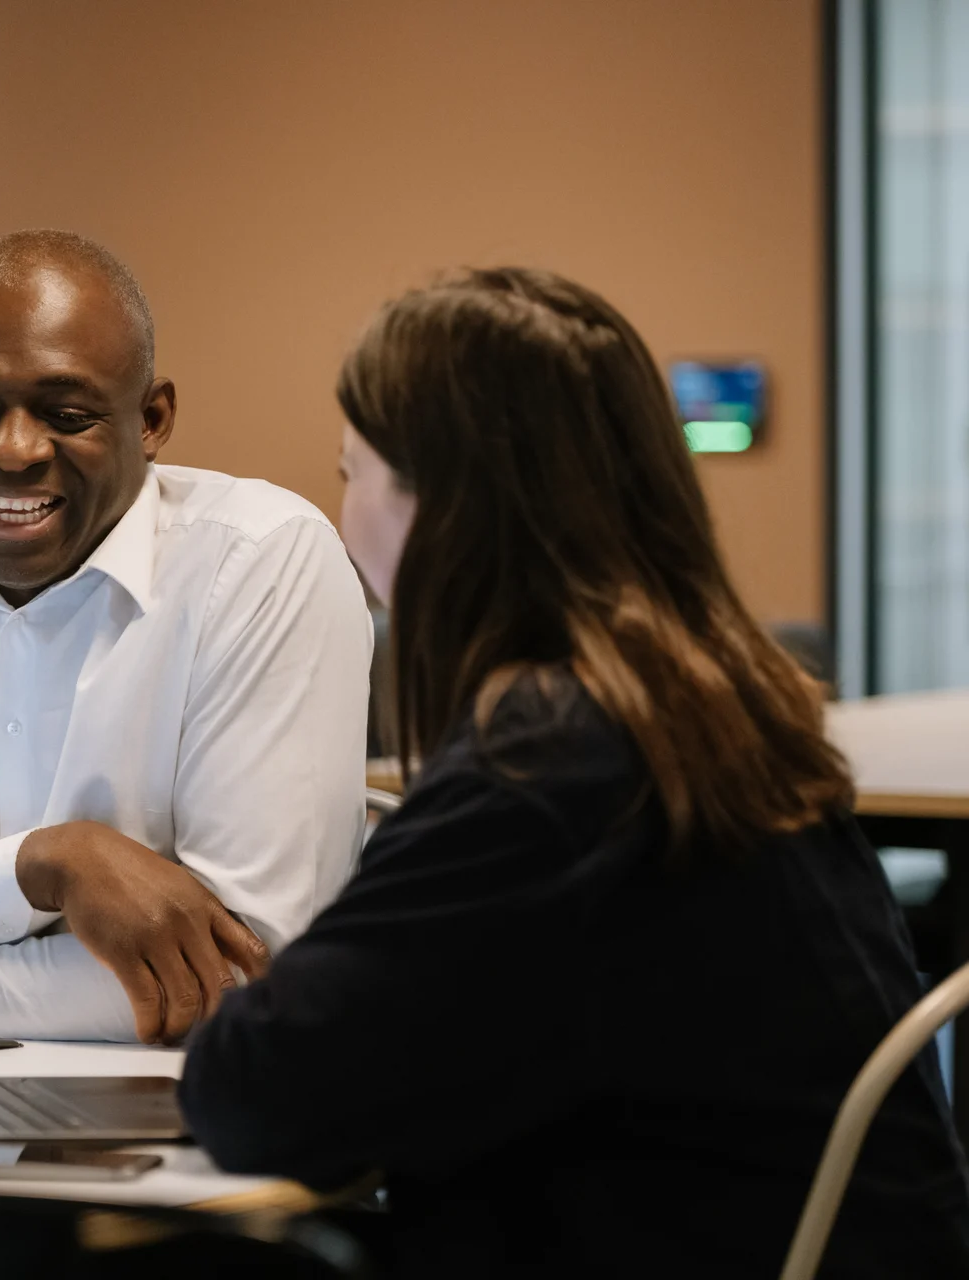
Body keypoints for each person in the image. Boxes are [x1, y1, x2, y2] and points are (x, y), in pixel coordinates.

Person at [179, 267, 969, 1277]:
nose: (342, 521)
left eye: (351, 472)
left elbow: (260, 1093)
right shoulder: (699, 708)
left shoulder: (550, 763)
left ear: (441, 506)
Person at [0, 229, 371, 1044]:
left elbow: (243, 973)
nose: (13, 449)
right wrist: (43, 868)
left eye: (67, 413)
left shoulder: (261, 562)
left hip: (176, 1109)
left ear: (152, 420)